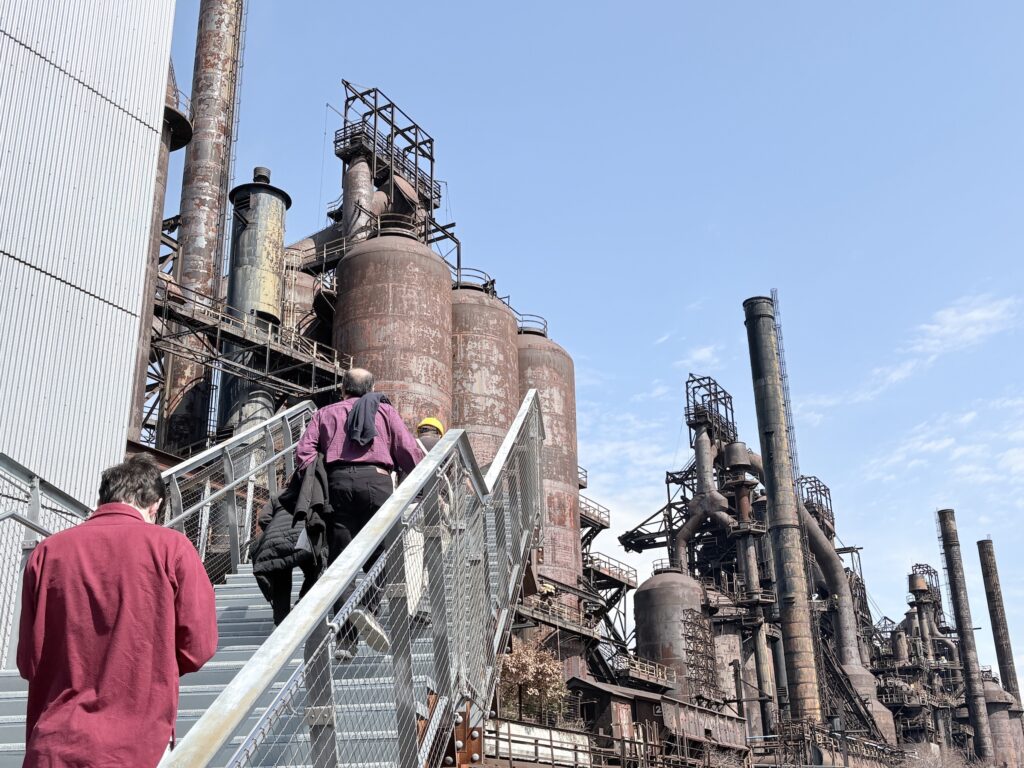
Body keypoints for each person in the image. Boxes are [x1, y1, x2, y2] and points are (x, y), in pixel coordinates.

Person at [17, 455, 218, 767]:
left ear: (102, 499)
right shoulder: (173, 548)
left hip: (54, 742)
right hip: (138, 745)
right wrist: (151, 664)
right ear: (155, 505)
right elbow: (198, 647)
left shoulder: (47, 552)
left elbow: (28, 660)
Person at [294, 368, 423, 656]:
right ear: (371, 389)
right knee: (388, 554)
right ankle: (367, 607)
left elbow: (304, 453)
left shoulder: (324, 413)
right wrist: (423, 483)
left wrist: (318, 479)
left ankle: (346, 641)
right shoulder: (384, 411)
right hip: (377, 482)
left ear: (343, 389)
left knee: (342, 562)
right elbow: (407, 448)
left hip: (337, 486)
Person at [250, 473, 320, 625]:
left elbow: (263, 518)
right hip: (303, 538)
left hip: (275, 542)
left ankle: (281, 624)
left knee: (281, 581)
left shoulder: (278, 495)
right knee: (315, 570)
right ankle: (303, 603)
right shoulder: (312, 492)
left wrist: (275, 532)